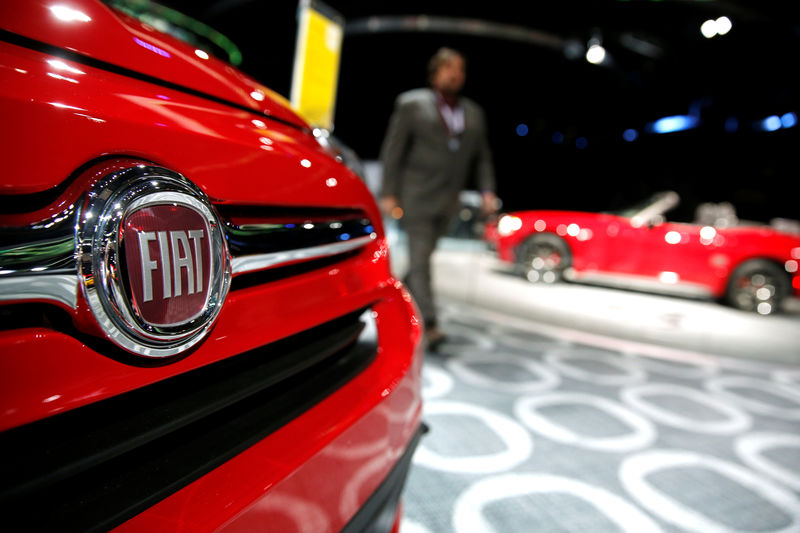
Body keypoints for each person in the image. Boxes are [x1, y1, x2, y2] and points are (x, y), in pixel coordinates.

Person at [379, 46, 498, 350]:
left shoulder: (472, 112)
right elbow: (393, 151)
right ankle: (430, 324)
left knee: (422, 259)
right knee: (420, 260)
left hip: (449, 201)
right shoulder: (412, 104)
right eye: (448, 67)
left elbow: (482, 157)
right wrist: (388, 193)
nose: (454, 74)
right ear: (435, 72)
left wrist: (487, 191)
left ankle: (389, 302)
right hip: (416, 196)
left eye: (459, 69)